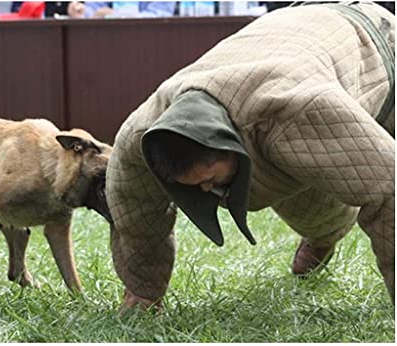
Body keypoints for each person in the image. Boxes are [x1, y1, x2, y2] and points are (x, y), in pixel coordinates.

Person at [106, 1, 395, 311]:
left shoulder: (296, 109)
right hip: (288, 35)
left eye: (210, 179)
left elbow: (389, 187)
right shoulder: (140, 134)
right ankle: (320, 235)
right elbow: (134, 212)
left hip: (378, 44)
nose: (207, 191)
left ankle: (323, 237)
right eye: (193, 185)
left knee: (352, 177)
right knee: (298, 192)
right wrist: (143, 291)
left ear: (230, 143)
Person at [67, 1, 176, 19]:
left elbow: (161, 15)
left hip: (150, 42)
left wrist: (116, 15)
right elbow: (94, 9)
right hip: (106, 39)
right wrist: (80, 11)